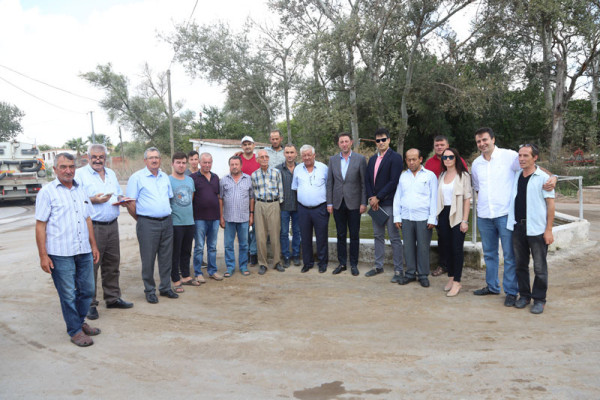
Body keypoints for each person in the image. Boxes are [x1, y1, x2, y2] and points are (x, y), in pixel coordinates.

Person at [471, 127, 556, 307]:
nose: (482, 144)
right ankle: (492, 286)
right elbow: (478, 188)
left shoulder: (509, 156)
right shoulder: (476, 164)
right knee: (489, 254)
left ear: (493, 139)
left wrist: (553, 177)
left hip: (505, 215)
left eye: (485, 140)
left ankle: (511, 292)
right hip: (485, 215)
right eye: (478, 141)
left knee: (510, 256)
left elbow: (532, 167)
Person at [35, 152, 101, 347]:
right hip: (60, 253)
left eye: (71, 166)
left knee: (87, 290)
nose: (68, 170)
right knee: (68, 295)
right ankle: (75, 330)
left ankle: (79, 322)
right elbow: (40, 225)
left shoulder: (81, 190)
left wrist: (93, 245)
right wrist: (43, 255)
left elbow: (87, 219)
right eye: (63, 167)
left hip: (83, 250)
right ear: (55, 169)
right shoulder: (47, 192)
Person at [75, 144, 133, 321]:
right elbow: (75, 199)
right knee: (91, 266)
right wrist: (93, 200)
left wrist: (121, 199)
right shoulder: (80, 174)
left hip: (112, 225)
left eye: (101, 156)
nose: (98, 160)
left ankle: (112, 298)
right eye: (94, 156)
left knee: (112, 264)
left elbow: (116, 193)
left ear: (105, 158)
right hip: (93, 227)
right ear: (88, 157)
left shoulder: (111, 174)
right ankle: (89, 304)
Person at [126, 147, 178, 303]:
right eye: (151, 158)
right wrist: (142, 220)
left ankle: (165, 287)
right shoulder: (137, 178)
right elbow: (130, 203)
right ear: (145, 160)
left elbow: (168, 198)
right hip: (147, 223)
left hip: (166, 221)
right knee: (148, 259)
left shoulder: (164, 177)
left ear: (160, 159)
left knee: (166, 257)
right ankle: (149, 290)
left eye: (156, 157)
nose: (154, 160)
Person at [507, 144, 555, 314]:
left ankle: (539, 299)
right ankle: (525, 296)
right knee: (520, 265)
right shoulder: (516, 175)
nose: (521, 159)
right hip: (518, 227)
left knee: (540, 267)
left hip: (537, 229)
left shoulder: (543, 178)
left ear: (535, 158)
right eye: (520, 155)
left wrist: (548, 230)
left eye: (526, 155)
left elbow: (550, 205)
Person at [424, 135, 469, 277]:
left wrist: (465, 219)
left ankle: (455, 273)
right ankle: (444, 265)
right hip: (440, 208)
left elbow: (466, 192)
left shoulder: (460, 165)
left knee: (456, 243)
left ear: (447, 146)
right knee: (443, 239)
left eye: (442, 145)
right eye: (436, 145)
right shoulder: (430, 164)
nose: (439, 147)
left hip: (456, 210)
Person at [393, 149, 438, 288]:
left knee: (423, 247)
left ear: (420, 159)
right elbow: (398, 196)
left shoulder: (430, 176)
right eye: (408, 160)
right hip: (406, 217)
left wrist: (432, 218)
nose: (411, 162)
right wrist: (397, 216)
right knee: (408, 247)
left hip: (423, 217)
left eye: (414, 159)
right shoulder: (403, 176)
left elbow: (434, 198)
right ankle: (410, 273)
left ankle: (423, 275)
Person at [365, 128, 404, 281]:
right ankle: (378, 266)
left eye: (383, 139)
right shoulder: (372, 159)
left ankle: (398, 270)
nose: (380, 142)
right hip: (375, 204)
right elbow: (368, 180)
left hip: (389, 203)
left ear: (388, 140)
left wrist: (378, 197)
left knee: (394, 237)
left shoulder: (395, 158)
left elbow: (394, 181)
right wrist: (371, 198)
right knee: (377, 235)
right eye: (378, 140)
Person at [326, 132, 367, 276]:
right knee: (340, 234)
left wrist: (363, 202)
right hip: (338, 203)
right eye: (341, 142)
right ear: (339, 144)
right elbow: (330, 183)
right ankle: (342, 263)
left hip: (355, 203)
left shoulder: (360, 159)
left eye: (346, 141)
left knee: (354, 234)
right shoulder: (332, 160)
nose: (344, 144)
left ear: (351, 142)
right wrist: (329, 203)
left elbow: (364, 183)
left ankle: (354, 264)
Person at [435, 148, 472, 297]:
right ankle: (450, 277)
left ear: (456, 158)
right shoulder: (442, 175)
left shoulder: (463, 175)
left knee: (456, 249)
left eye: (451, 157)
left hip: (457, 214)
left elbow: (467, 199)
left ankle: (457, 281)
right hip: (443, 213)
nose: (448, 159)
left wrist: (465, 220)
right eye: (445, 157)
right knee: (446, 247)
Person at [292, 145, 329, 273]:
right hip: (303, 209)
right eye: (304, 155)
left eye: (309, 155)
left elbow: (329, 187)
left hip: (320, 208)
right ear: (301, 157)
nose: (307, 157)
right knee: (305, 237)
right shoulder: (297, 169)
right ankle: (307, 263)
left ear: (314, 155)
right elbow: (295, 188)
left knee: (322, 237)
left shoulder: (324, 168)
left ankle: (322, 263)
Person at [220, 156, 254, 277]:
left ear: (241, 165)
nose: (234, 167)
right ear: (229, 166)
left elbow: (252, 198)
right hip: (229, 218)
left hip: (244, 218)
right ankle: (230, 267)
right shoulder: (223, 180)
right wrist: (221, 217)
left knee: (244, 244)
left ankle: (243, 266)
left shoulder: (248, 179)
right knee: (228, 245)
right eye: (232, 164)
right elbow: (220, 199)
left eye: (236, 164)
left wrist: (251, 214)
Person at [252, 149, 284, 274]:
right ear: (257, 160)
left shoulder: (276, 172)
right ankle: (263, 264)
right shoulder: (254, 175)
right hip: (260, 204)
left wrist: (278, 203)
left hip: (273, 204)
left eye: (266, 156)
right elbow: (253, 192)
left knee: (275, 235)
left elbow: (280, 189)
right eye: (262, 157)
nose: (265, 159)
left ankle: (277, 262)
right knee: (260, 236)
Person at [191, 153, 223, 282]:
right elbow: (191, 199)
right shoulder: (193, 178)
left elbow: (219, 198)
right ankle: (198, 272)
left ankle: (212, 271)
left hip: (214, 218)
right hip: (199, 218)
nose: (207, 165)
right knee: (199, 247)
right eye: (204, 162)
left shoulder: (215, 178)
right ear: (199, 162)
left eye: (209, 162)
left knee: (212, 246)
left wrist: (221, 216)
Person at [169, 152, 198, 294]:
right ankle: (175, 279)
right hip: (175, 223)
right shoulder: (168, 180)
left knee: (186, 251)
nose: (181, 165)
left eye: (183, 163)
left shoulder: (190, 180)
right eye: (178, 162)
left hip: (189, 221)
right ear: (173, 164)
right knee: (175, 252)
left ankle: (186, 276)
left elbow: (191, 198)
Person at [277, 144, 302, 267]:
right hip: (283, 207)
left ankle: (296, 255)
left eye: (292, 152)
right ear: (284, 154)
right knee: (284, 232)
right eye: (287, 152)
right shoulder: (278, 170)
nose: (289, 155)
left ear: (296, 154)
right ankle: (286, 256)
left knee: (297, 232)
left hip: (298, 206)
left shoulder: (301, 168)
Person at [240, 136, 260, 265]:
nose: (247, 146)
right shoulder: (238, 159)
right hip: (243, 199)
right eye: (245, 144)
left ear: (254, 145)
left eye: (249, 144)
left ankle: (254, 252)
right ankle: (246, 251)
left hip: (257, 198)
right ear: (242, 146)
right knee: (244, 228)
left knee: (257, 228)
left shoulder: (258, 159)